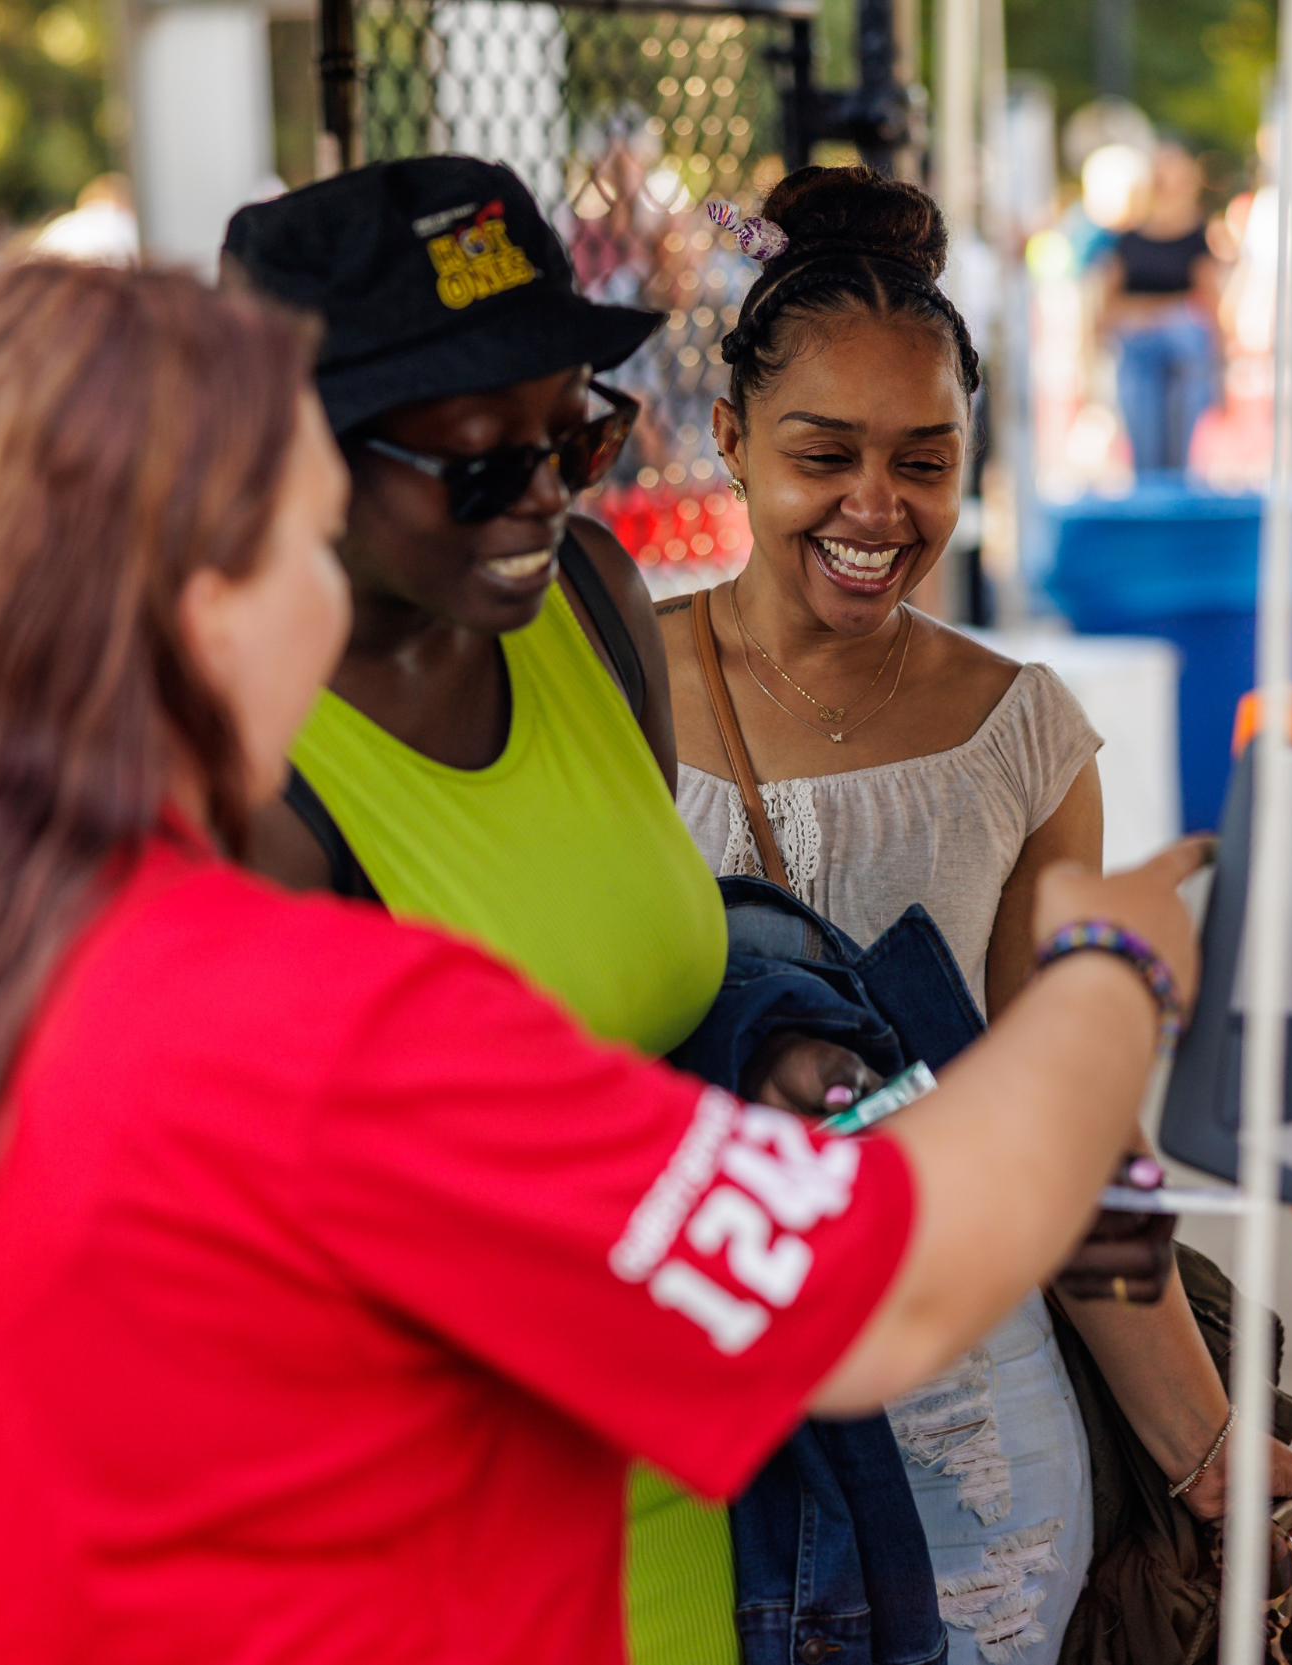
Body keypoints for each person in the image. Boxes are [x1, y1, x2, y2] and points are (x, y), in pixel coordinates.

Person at [0, 260, 1208, 1665]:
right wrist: (1104, 973)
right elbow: (887, 1279)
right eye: (307, 528)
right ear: (201, 600)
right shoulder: (307, 1031)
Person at [661, 165, 1292, 1664]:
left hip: (976, 1454)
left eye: (928, 460)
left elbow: (1076, 1133)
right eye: (822, 454)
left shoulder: (1022, 734)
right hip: (694, 1409)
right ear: (729, 440)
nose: (877, 509)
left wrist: (1209, 1446)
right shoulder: (609, 695)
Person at [221, 156, 875, 1665]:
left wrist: (752, 1060)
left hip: (681, 1499)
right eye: (474, 458)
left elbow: (632, 979)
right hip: (435, 1557)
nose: (544, 494)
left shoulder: (585, 596)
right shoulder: (239, 778)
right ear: (292, 455)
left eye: (573, 433)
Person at [1100, 144, 1225, 479]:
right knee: (1145, 451)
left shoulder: (1197, 238)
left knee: (1179, 453)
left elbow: (1209, 303)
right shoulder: (1128, 240)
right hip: (1139, 348)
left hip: (1182, 350)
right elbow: (1107, 305)